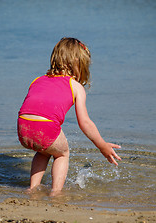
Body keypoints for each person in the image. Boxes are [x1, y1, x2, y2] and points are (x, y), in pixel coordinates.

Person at [17, 37, 121, 196]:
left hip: (23, 127)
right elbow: (84, 122)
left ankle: (32, 189)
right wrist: (101, 145)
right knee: (62, 153)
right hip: (45, 128)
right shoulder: (75, 86)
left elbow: (34, 108)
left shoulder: (37, 80)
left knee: (44, 151)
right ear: (79, 65)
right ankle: (56, 192)